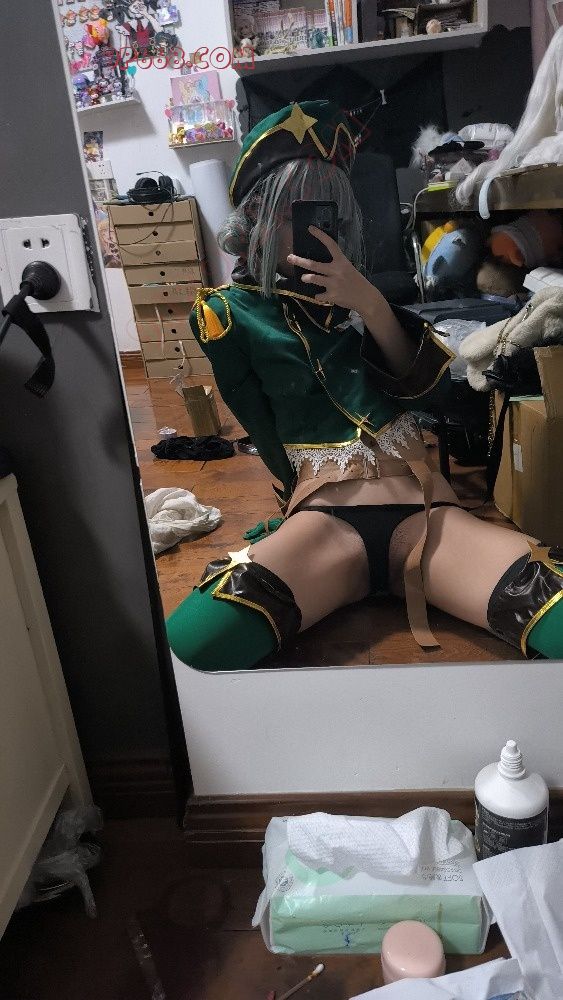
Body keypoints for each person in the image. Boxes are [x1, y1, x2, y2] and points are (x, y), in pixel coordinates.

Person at [166, 101, 563, 670]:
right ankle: (352, 579)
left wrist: (370, 305)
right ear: (257, 217)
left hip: (428, 515)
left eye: (327, 210)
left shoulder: (367, 299)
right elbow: (259, 425)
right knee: (199, 635)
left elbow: (431, 396)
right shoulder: (229, 315)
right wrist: (291, 509)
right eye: (296, 211)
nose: (314, 228)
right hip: (325, 523)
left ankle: (385, 579)